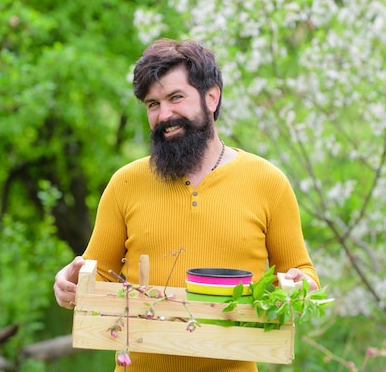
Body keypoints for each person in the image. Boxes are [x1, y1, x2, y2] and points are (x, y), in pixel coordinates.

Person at [53, 38, 320, 372]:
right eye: (153, 104)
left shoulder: (268, 182)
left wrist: (299, 285)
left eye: (175, 98)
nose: (165, 114)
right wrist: (70, 283)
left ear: (211, 97)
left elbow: (303, 275)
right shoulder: (125, 183)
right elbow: (98, 276)